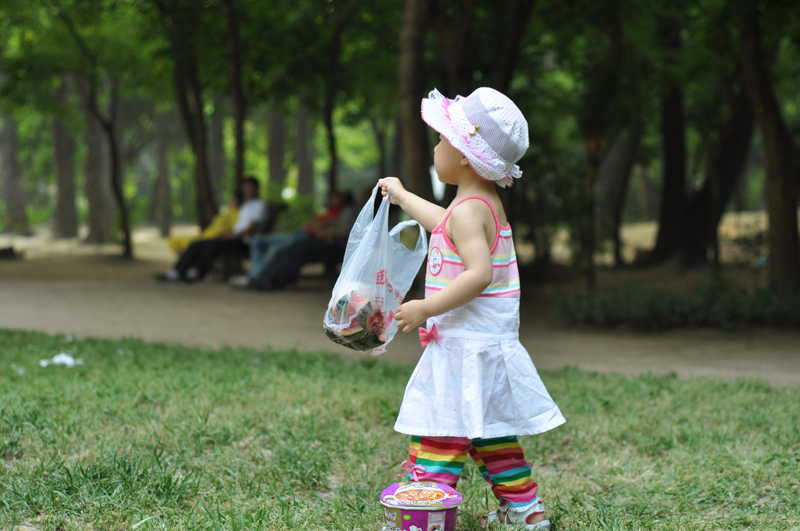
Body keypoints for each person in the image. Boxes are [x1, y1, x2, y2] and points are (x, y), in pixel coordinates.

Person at [378, 87, 565, 530]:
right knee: (492, 437)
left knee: (439, 433)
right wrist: (403, 197)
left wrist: (426, 307)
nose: (436, 148)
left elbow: (479, 274)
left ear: (463, 156)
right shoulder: (479, 205)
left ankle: (423, 515)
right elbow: (443, 224)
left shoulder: (467, 212)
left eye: (442, 140)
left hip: (465, 349)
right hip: (483, 347)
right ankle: (525, 510)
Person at [229, 190, 354, 289]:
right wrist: (317, 225)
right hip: (300, 234)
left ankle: (254, 277)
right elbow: (307, 224)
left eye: (337, 197)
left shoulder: (343, 213)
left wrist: (320, 227)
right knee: (258, 240)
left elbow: (326, 227)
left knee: (276, 249)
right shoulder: (329, 211)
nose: (333, 198)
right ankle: (254, 274)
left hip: (307, 238)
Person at [157, 177, 266, 282]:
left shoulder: (259, 205)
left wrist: (231, 235)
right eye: (245, 188)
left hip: (244, 240)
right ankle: (177, 271)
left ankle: (197, 271)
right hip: (234, 236)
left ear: (256, 189)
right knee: (197, 244)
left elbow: (250, 228)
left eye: (249, 188)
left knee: (212, 244)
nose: (247, 190)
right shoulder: (245, 205)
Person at [166, 191, 243, 255]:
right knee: (174, 240)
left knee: (191, 244)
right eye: (231, 199)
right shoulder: (227, 212)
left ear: (238, 201)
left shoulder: (238, 214)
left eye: (234, 199)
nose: (231, 201)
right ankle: (184, 258)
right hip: (206, 234)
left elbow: (234, 229)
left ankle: (185, 260)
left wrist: (222, 235)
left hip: (212, 237)